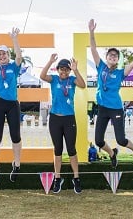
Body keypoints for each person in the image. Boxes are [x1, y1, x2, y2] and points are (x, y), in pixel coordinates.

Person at [88, 19, 133, 167]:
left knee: (121, 139)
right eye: (110, 55)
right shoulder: (100, 66)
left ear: (117, 60)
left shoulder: (120, 72)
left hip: (116, 108)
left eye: (116, 56)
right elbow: (93, 49)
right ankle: (112, 153)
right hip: (102, 108)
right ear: (107, 57)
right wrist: (91, 32)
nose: (113, 57)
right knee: (98, 141)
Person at [39, 54, 86, 194]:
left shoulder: (72, 80)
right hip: (55, 119)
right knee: (57, 149)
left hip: (69, 119)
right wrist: (50, 61)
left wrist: (76, 70)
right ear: (58, 70)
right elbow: (42, 76)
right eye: (62, 69)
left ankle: (76, 178)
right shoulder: (53, 79)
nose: (64, 72)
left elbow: (83, 85)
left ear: (69, 70)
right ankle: (57, 178)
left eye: (67, 69)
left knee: (71, 149)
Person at [0, 28, 23, 181]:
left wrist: (14, 39)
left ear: (8, 55)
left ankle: (17, 164)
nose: (2, 56)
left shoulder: (14, 66)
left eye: (4, 54)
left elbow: (19, 57)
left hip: (13, 104)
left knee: (16, 135)